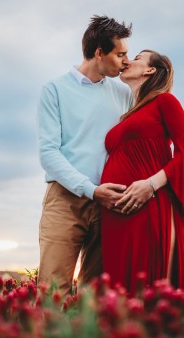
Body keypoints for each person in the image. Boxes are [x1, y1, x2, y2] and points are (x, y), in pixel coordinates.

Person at [100, 50, 184, 293]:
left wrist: (149, 185)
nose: (129, 61)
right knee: (120, 298)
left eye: (138, 57)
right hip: (116, 213)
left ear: (150, 70)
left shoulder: (165, 101)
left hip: (150, 204)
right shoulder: (126, 115)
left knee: (149, 291)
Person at [37, 15, 133, 295]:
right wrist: (91, 190)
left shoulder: (124, 93)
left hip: (110, 204)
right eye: (120, 54)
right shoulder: (54, 89)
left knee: (98, 297)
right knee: (52, 290)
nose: (126, 61)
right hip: (65, 200)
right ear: (99, 52)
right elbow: (48, 153)